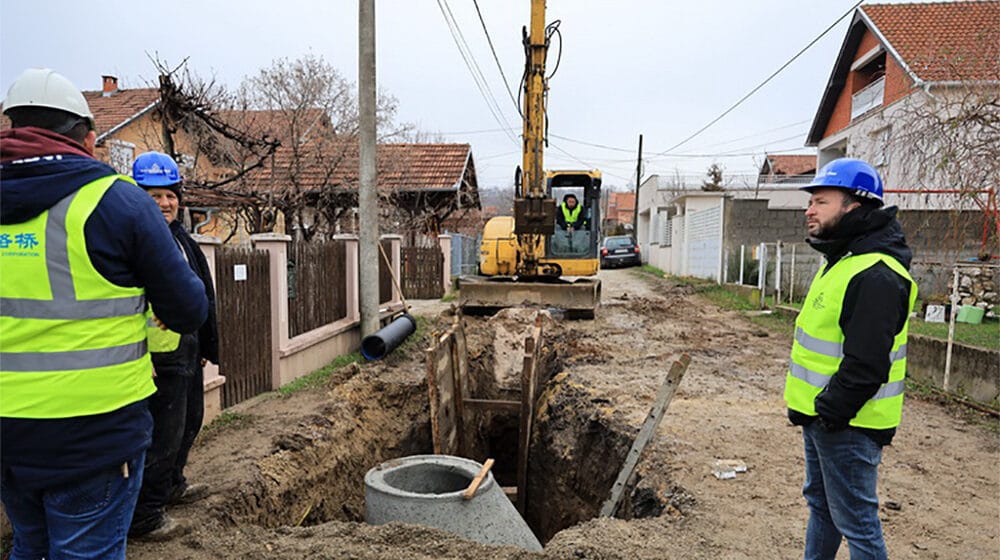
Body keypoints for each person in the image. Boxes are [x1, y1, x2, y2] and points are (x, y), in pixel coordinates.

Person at [0, 69, 208, 558]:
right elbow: (188, 308)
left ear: (8, 130)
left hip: (7, 435)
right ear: (90, 138)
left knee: (31, 543)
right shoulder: (117, 203)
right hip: (95, 434)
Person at [784, 158, 917, 560]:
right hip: (826, 419)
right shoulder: (843, 260)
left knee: (857, 523)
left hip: (849, 424)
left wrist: (829, 411)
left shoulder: (875, 273)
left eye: (821, 201)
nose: (810, 209)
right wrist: (812, 412)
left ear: (854, 206)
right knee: (823, 509)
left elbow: (867, 365)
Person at [128, 152, 219, 540]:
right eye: (153, 196)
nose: (164, 203)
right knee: (161, 438)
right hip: (156, 356)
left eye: (169, 195)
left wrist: (202, 342)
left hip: (184, 349)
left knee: (187, 425)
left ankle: (172, 485)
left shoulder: (180, 237)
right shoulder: (134, 243)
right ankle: (146, 516)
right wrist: (139, 353)